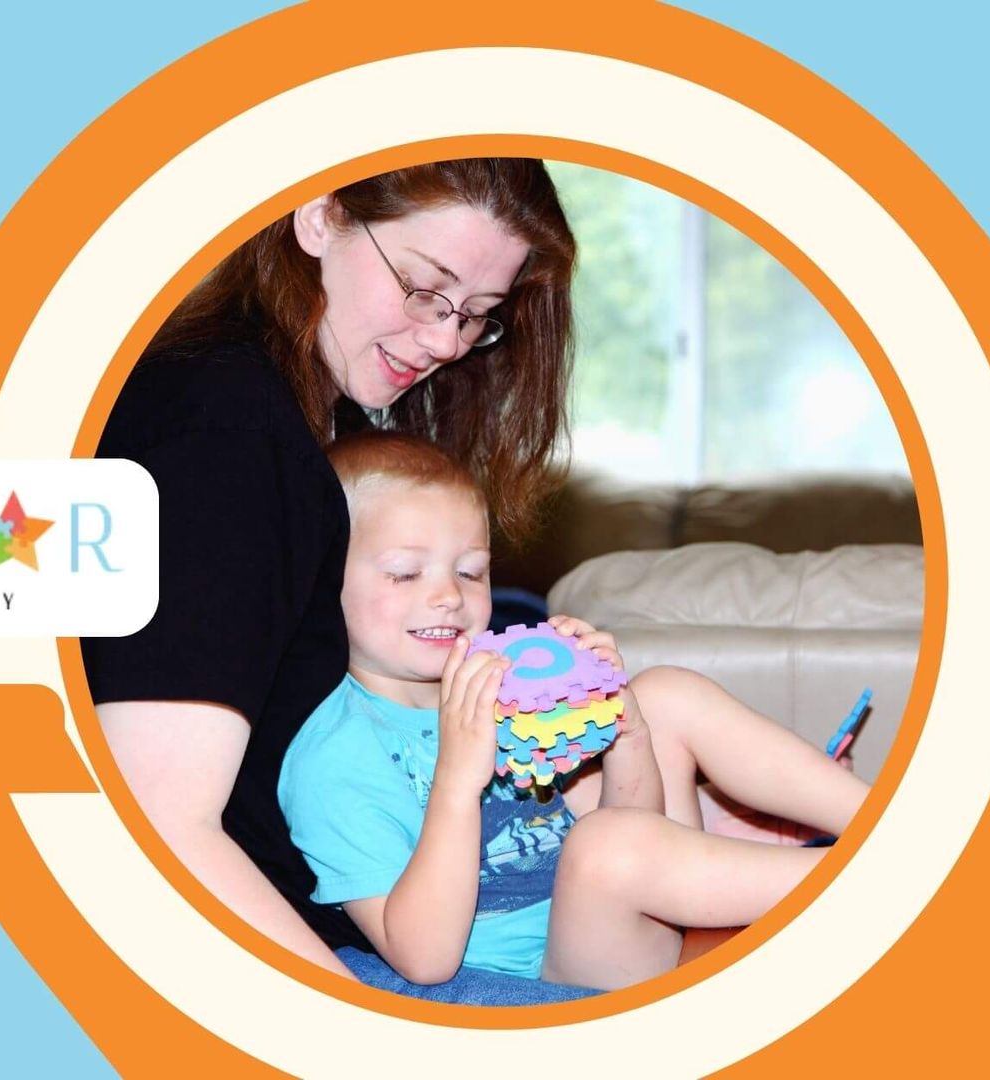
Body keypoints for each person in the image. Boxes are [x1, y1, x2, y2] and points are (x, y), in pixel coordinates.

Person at [83, 159, 578, 1001]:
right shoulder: (221, 426)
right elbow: (158, 825)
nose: (447, 341)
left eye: (477, 316)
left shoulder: (306, 414)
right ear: (319, 217)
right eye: (426, 289)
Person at [279, 432, 870, 992]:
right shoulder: (333, 757)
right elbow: (426, 961)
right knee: (602, 848)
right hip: (547, 977)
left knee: (664, 692)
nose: (449, 596)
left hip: (635, 912)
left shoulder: (509, 681)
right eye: (406, 573)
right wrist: (458, 780)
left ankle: (881, 820)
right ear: (322, 580)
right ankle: (871, 878)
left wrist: (625, 730)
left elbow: (642, 825)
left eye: (471, 571)